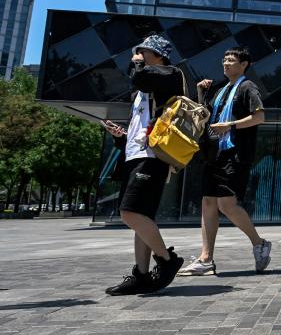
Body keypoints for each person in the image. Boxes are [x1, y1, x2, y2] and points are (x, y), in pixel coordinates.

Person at [102, 35, 185, 295]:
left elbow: (140, 77)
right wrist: (122, 136)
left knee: (130, 213)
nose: (137, 56)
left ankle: (168, 261)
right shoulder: (141, 89)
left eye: (143, 52)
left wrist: (138, 65)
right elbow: (143, 126)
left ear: (158, 54)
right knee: (142, 217)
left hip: (153, 157)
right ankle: (141, 274)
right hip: (136, 154)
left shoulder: (170, 74)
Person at [178, 47, 271, 276]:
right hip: (214, 153)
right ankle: (206, 258)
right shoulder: (221, 90)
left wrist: (230, 125)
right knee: (208, 203)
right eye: (225, 60)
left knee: (226, 205)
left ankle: (259, 243)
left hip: (234, 153)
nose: (226, 64)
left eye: (232, 60)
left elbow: (260, 116)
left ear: (244, 64)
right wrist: (201, 94)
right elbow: (207, 118)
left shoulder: (248, 87)